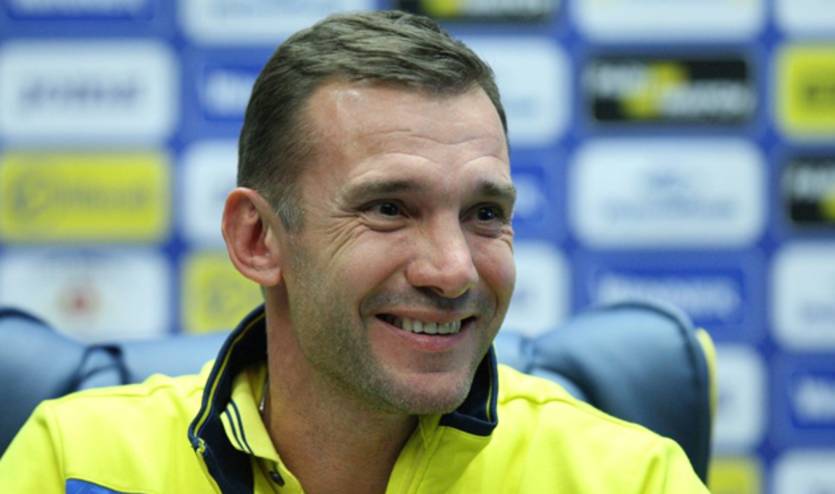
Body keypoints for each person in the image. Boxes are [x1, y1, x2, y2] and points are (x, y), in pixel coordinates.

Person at [0, 10, 708, 493]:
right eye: (389, 209)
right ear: (257, 239)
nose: (453, 270)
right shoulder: (78, 462)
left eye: (484, 214)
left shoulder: (631, 478)